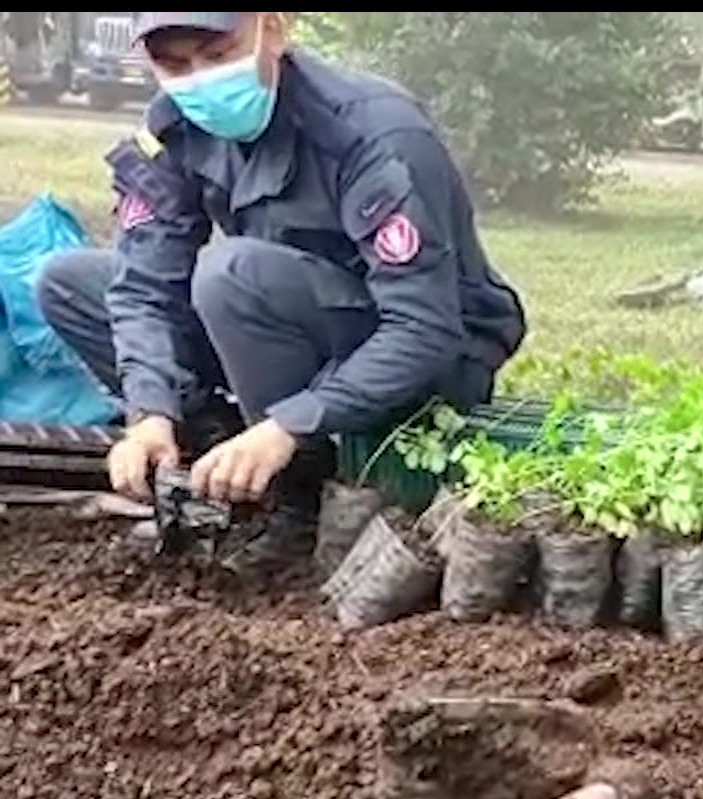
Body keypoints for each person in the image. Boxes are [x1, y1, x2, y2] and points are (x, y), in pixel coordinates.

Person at [36, 11, 525, 571]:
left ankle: (299, 491)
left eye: (218, 55)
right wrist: (149, 408)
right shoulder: (174, 127)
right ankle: (209, 456)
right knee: (71, 283)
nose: (199, 80)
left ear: (274, 28)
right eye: (172, 64)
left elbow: (424, 327)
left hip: (429, 355)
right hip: (282, 324)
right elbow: (145, 284)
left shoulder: (373, 131)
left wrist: (291, 424)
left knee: (231, 275)